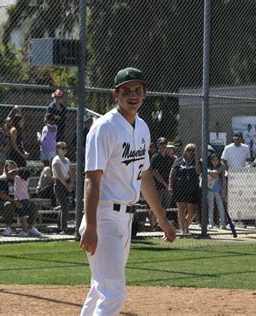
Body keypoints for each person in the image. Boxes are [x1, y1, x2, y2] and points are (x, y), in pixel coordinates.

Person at [79, 67, 176, 315]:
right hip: (104, 216)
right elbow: (92, 179)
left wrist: (162, 219)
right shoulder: (104, 128)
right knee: (114, 291)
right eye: (126, 90)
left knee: (100, 288)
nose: (132, 95)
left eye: (137, 90)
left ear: (144, 94)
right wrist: (90, 226)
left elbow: (144, 176)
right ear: (115, 94)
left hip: (126, 218)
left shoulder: (142, 127)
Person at [169, 143, 201, 236]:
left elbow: (198, 172)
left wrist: (196, 160)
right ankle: (183, 230)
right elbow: (172, 174)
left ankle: (185, 226)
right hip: (180, 187)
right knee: (181, 209)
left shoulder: (197, 162)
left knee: (193, 211)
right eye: (189, 150)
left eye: (193, 151)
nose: (191, 152)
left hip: (193, 188)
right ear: (185, 151)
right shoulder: (178, 161)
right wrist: (170, 186)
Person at [0, 160, 20, 236]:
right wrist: (14, 201)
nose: (13, 172)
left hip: (16, 201)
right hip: (2, 202)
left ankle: (30, 227)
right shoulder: (2, 179)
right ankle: (8, 227)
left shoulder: (17, 179)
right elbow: (1, 195)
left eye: (15, 169)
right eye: (11, 169)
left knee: (32, 205)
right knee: (8, 204)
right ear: (6, 170)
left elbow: (25, 191)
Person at [52, 141, 74, 234]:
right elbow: (59, 175)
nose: (65, 150)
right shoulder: (56, 160)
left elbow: (70, 173)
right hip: (60, 184)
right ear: (57, 150)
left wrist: (71, 183)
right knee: (64, 205)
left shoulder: (67, 160)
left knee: (65, 206)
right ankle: (64, 228)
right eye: (63, 148)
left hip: (67, 182)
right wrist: (67, 185)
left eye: (65, 148)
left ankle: (60, 227)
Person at [13, 167, 41, 237]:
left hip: (19, 199)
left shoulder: (17, 178)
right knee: (25, 215)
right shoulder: (27, 179)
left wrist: (16, 169)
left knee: (22, 216)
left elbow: (12, 173)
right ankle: (27, 229)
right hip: (26, 199)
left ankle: (25, 231)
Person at [207, 153, 227, 229]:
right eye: (213, 160)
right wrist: (210, 171)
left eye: (216, 160)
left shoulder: (221, 168)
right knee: (211, 206)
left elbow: (223, 179)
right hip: (210, 189)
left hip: (218, 190)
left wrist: (223, 189)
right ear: (211, 161)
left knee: (220, 206)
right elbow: (205, 170)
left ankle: (223, 223)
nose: (215, 161)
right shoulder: (209, 167)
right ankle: (211, 223)